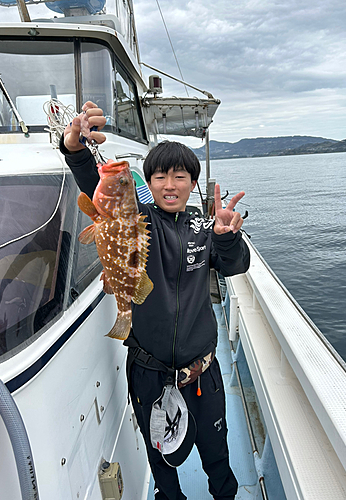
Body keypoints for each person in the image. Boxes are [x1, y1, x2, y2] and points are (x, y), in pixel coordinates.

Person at [60, 102, 250, 500]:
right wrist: (76, 148)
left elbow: (233, 266)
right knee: (160, 456)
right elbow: (101, 192)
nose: (170, 184)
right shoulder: (140, 218)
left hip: (203, 374)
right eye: (160, 175)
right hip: (149, 372)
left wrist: (228, 236)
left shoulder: (203, 224)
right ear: (148, 182)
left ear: (192, 182)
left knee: (217, 454)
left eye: (180, 176)